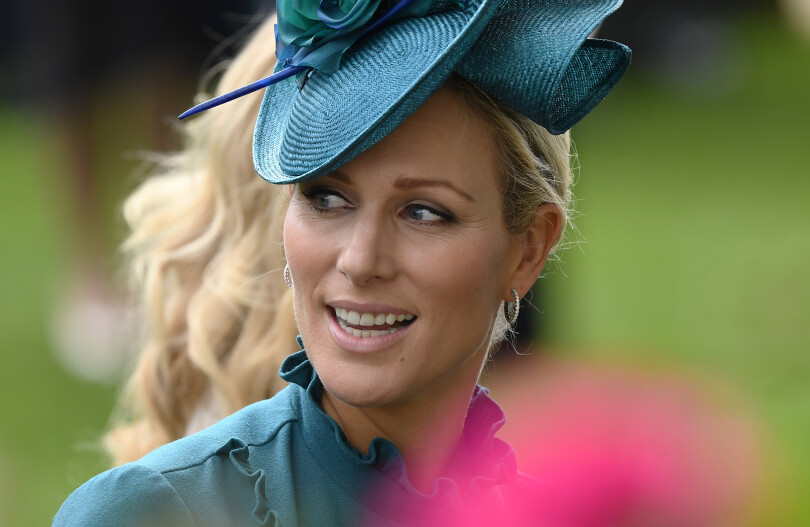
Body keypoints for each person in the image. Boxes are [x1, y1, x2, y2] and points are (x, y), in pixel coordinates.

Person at [54, 0, 631, 524]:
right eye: (326, 198)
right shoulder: (152, 511)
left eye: (423, 212)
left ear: (528, 250)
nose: (360, 260)